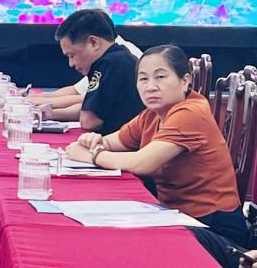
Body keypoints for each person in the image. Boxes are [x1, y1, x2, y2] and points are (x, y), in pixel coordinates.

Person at [65, 45, 247, 268]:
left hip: (213, 228)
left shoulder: (190, 112)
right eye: (143, 79)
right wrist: (93, 140)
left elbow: (142, 163)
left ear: (185, 81)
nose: (150, 86)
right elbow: (111, 142)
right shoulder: (152, 114)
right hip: (176, 215)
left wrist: (93, 155)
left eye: (160, 77)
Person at [38, 8, 143, 134]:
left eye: (72, 55)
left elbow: (89, 120)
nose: (71, 64)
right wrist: (52, 114)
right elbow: (94, 109)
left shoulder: (109, 64)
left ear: (93, 43)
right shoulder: (121, 58)